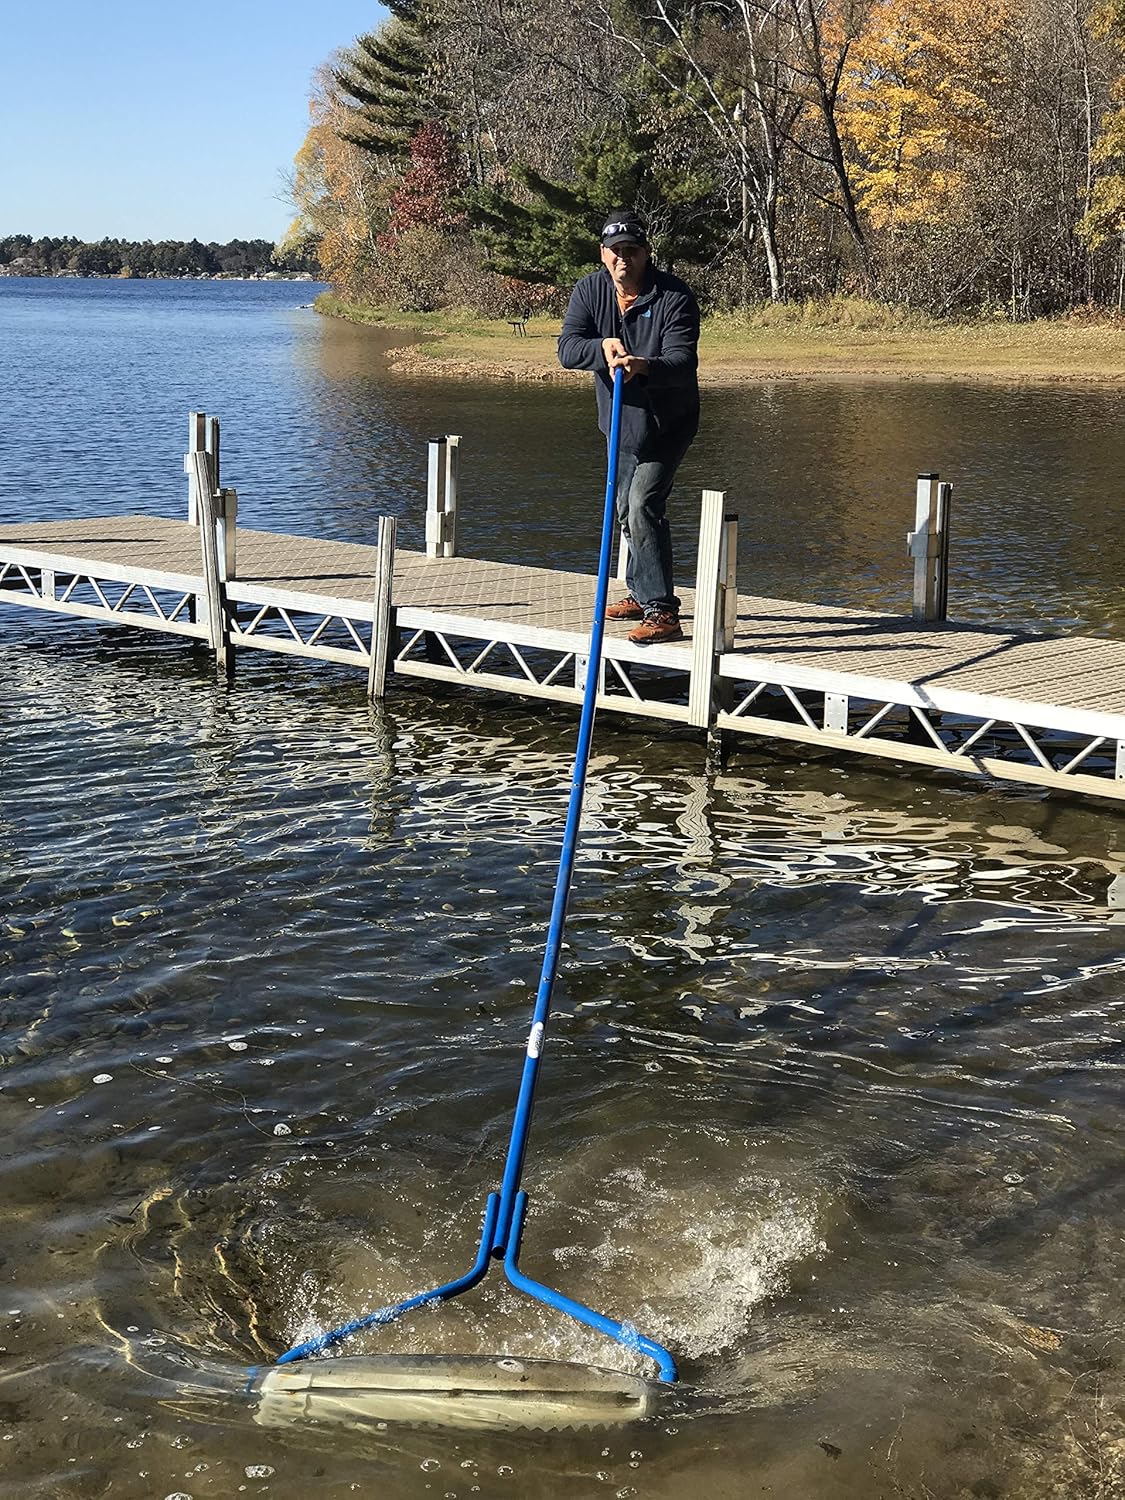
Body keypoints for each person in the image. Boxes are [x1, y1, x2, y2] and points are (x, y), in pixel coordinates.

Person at [558, 210, 701, 644]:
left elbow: (683, 361)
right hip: (619, 422)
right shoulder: (590, 290)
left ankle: (663, 612)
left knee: (642, 504)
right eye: (615, 250)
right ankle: (640, 593)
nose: (624, 258)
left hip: (667, 423)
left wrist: (643, 366)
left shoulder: (674, 296)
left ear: (645, 253)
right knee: (623, 508)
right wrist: (600, 347)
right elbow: (568, 348)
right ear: (603, 254)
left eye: (632, 250)